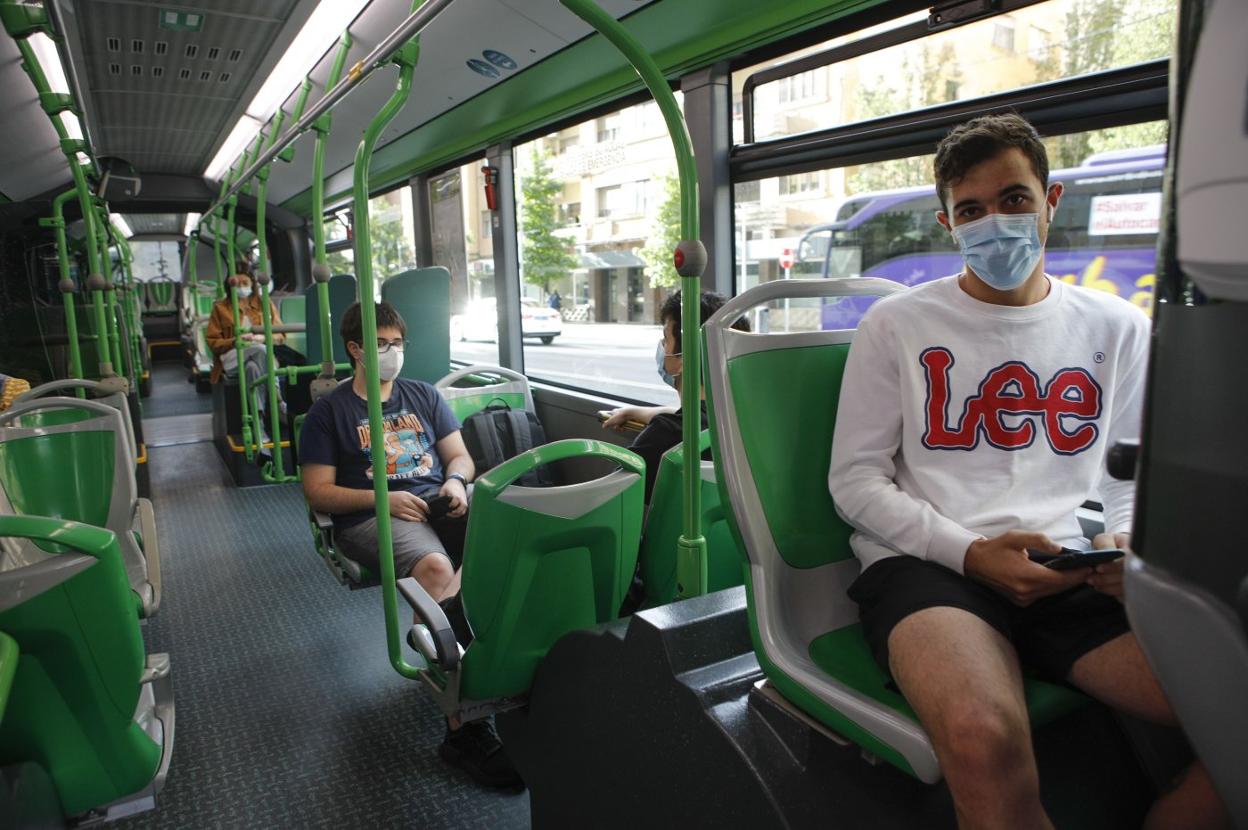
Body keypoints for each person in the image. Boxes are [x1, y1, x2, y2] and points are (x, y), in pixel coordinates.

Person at [828, 113, 1227, 829]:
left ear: (1052, 201)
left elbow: (1123, 476)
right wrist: (970, 553)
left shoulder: (1118, 328)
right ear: (949, 224)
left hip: (1071, 566)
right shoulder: (896, 326)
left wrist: (1118, 543)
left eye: (1013, 199)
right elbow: (855, 482)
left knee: (1236, 715)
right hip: (934, 563)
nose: (995, 224)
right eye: (971, 210)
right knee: (985, 739)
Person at [299, 301, 522, 791]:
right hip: (370, 514)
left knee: (518, 539)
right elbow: (318, 491)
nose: (392, 352)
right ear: (356, 349)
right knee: (438, 570)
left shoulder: (423, 395)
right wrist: (384, 499)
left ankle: (460, 646)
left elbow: (459, 457)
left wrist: (458, 485)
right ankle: (462, 729)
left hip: (438, 500)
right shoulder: (328, 413)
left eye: (398, 344)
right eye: (381, 344)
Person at [603, 290, 749, 503]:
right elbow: (691, 413)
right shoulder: (744, 417)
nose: (662, 347)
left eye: (665, 339)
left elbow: (611, 500)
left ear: (682, 358)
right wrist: (633, 412)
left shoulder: (666, 434)